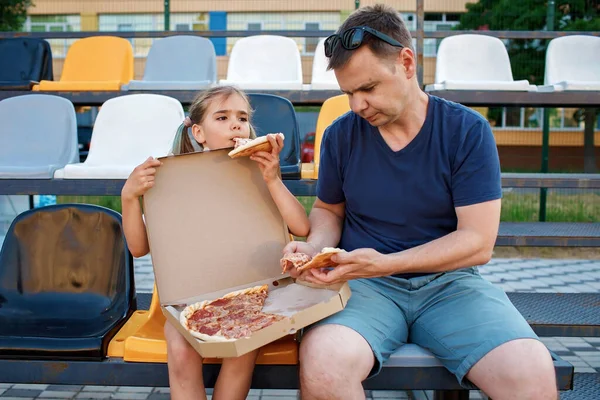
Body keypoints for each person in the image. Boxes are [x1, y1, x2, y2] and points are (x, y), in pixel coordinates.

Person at [284, 4, 557, 400]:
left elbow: (478, 243)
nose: (357, 105)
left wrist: (385, 262)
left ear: (406, 63)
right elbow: (329, 210)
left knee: (530, 371)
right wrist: (314, 249)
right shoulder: (342, 135)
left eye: (368, 88)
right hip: (365, 288)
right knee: (323, 362)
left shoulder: (467, 131)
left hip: (451, 286)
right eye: (348, 93)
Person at [121, 86, 310, 400]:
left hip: (251, 297)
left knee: (242, 352)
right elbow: (139, 248)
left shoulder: (260, 170)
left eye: (242, 118)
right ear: (199, 132)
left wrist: (273, 179)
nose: (235, 125)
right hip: (187, 300)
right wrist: (129, 198)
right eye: (222, 117)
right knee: (180, 352)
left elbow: (301, 226)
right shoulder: (173, 178)